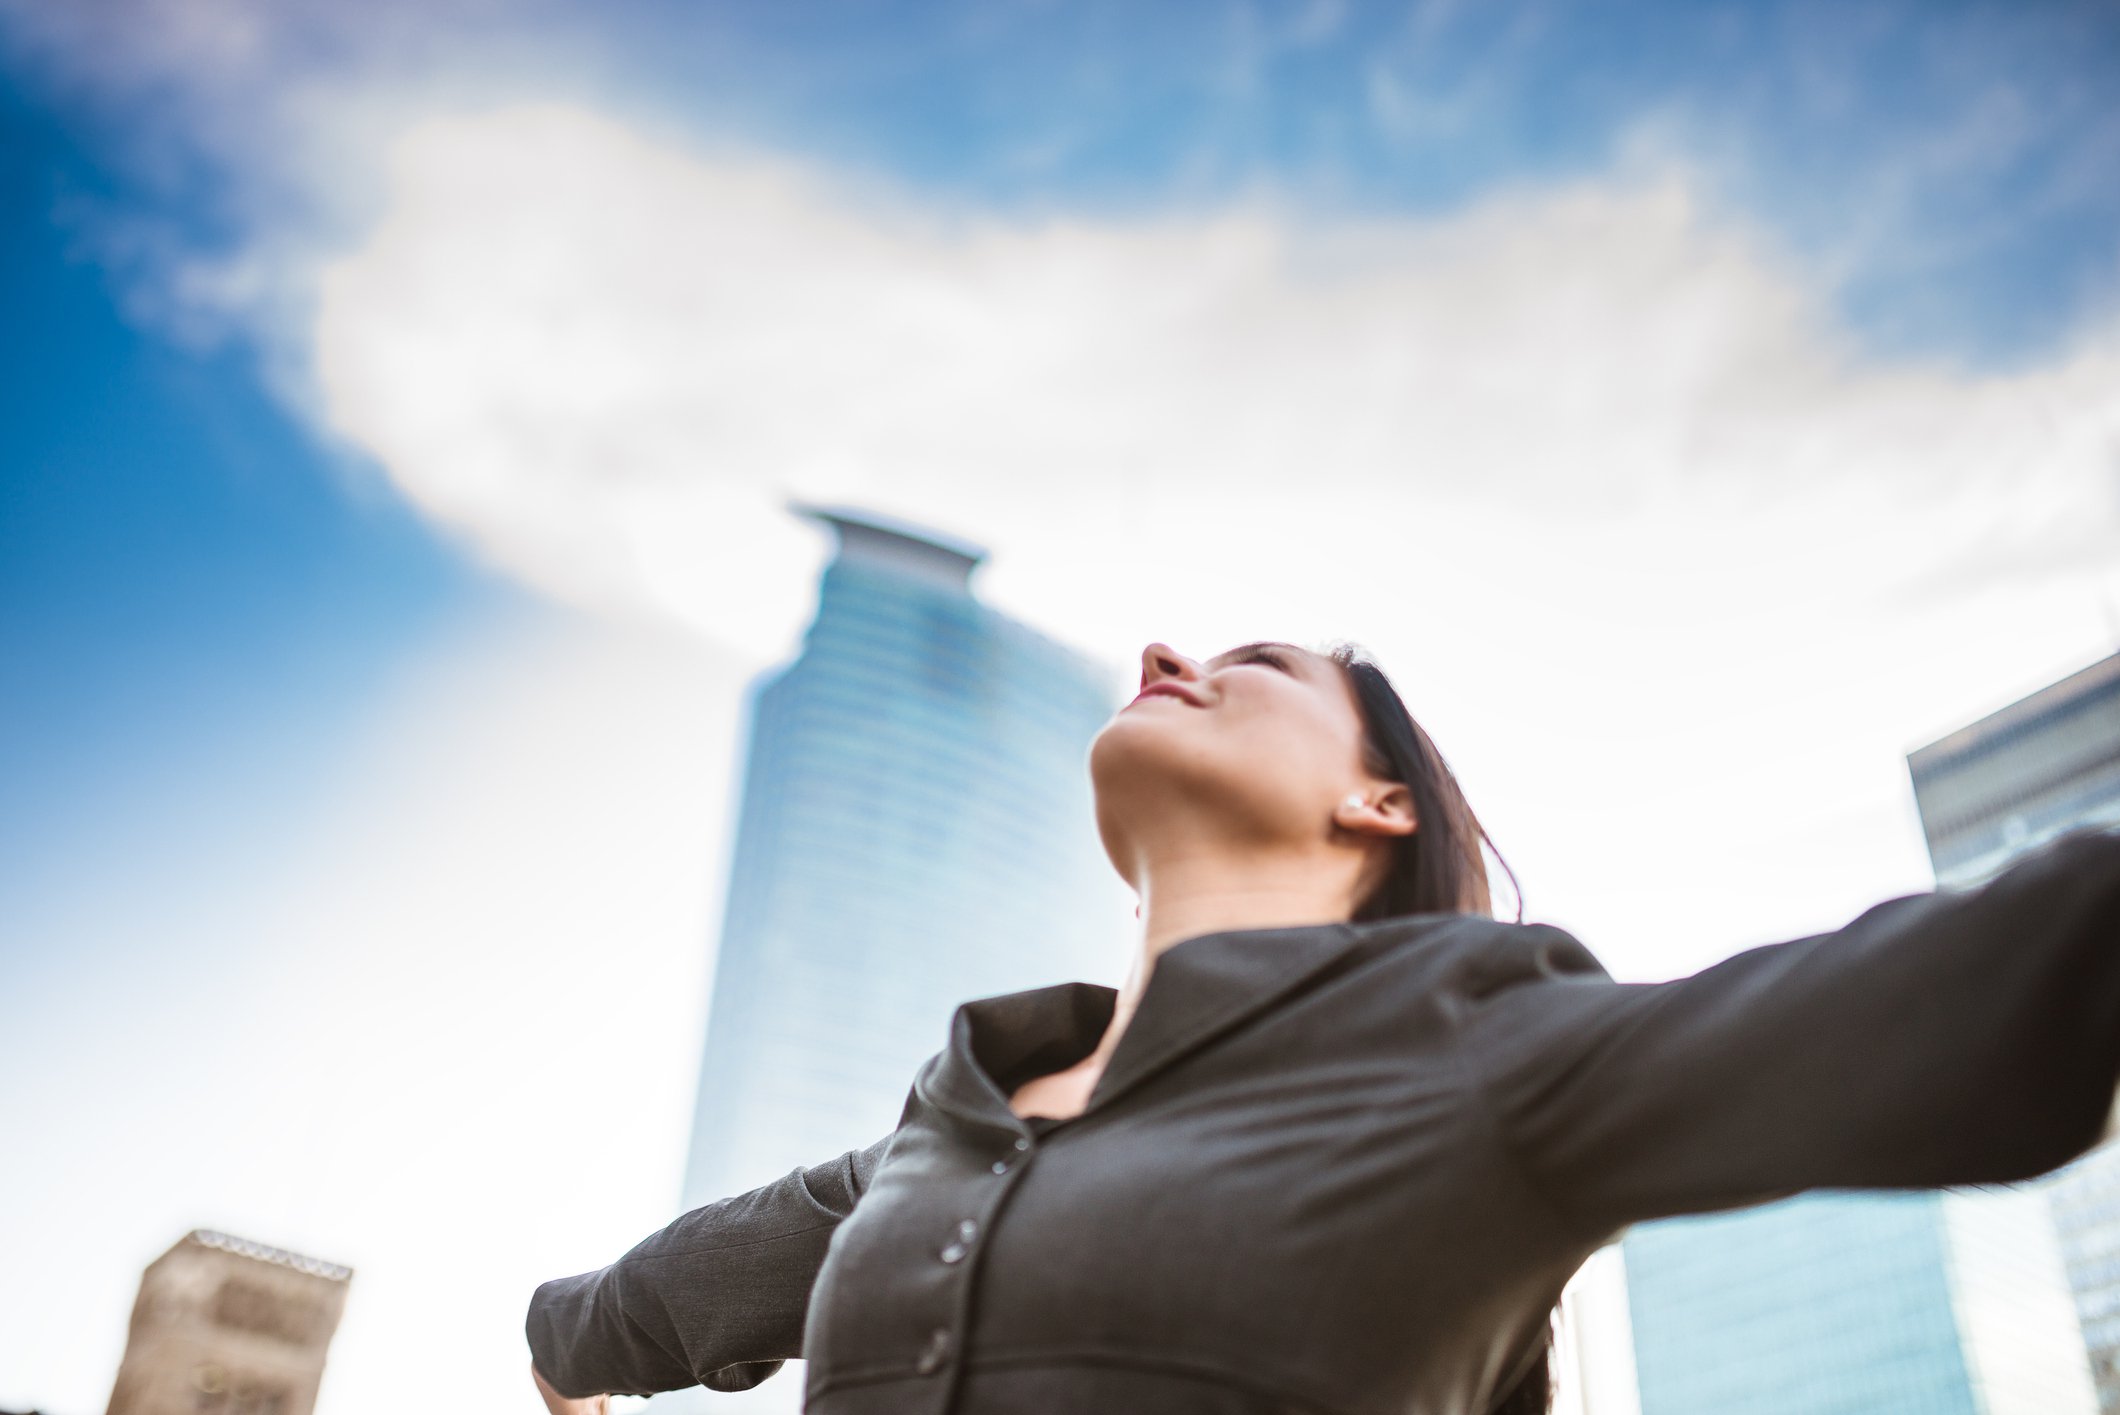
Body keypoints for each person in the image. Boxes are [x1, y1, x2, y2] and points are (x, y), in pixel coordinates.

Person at [527, 639, 2120, 1415]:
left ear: (1382, 799)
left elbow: (2000, 981)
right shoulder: (951, 1127)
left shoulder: (1491, 1050)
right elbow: (649, 1300)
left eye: (1254, 666)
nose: (1166, 657)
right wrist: (566, 1351)